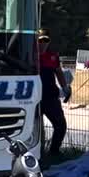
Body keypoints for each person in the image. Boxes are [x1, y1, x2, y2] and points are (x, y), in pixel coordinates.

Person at [37, 29, 69, 160]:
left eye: (46, 40)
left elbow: (59, 72)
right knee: (34, 129)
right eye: (40, 40)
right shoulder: (28, 55)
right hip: (34, 98)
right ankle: (35, 155)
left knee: (61, 126)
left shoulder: (53, 56)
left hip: (51, 97)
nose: (43, 43)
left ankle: (54, 151)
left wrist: (65, 87)